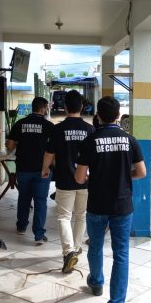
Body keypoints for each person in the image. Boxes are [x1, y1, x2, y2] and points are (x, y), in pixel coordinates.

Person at [75, 96, 146, 303]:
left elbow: (79, 177)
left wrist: (93, 177)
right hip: (122, 206)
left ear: (98, 115)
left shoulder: (90, 140)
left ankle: (96, 282)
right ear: (118, 116)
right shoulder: (130, 140)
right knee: (121, 253)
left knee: (95, 246)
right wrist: (125, 177)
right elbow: (141, 172)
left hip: (97, 204)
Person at [41, 90, 94, 273]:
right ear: (82, 106)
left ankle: (69, 251)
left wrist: (45, 169)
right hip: (85, 181)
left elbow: (49, 153)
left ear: (64, 107)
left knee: (64, 217)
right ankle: (76, 248)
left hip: (64, 179)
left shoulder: (58, 129)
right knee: (81, 215)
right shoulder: (90, 130)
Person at [7, 97, 54, 244]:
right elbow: (54, 149)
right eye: (46, 108)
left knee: (24, 198)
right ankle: (39, 235)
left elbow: (10, 145)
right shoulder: (48, 126)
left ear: (33, 107)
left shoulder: (20, 123)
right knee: (40, 201)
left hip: (23, 168)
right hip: (42, 170)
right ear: (43, 108)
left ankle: (21, 227)